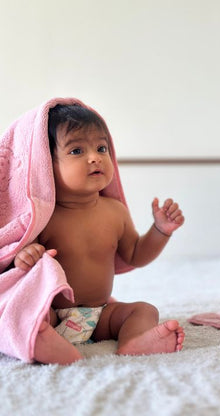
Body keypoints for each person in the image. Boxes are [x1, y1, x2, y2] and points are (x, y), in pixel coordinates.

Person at [14, 104, 185, 364]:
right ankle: (43, 341)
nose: (94, 157)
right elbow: (20, 267)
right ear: (44, 164)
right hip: (52, 312)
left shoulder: (115, 212)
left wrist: (160, 231)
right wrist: (26, 256)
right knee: (27, 316)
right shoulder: (42, 217)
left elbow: (135, 255)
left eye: (101, 148)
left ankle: (134, 341)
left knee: (143, 311)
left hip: (99, 315)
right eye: (77, 150)